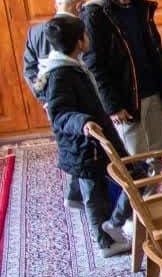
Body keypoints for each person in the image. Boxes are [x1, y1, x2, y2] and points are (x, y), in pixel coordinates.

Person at [35, 17, 131, 258]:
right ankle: (107, 241)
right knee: (96, 197)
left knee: (127, 178)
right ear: (79, 41)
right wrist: (83, 122)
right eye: (85, 35)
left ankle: (102, 216)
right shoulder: (61, 74)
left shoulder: (71, 67)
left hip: (93, 141)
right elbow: (59, 114)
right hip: (85, 146)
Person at [82, 0, 162, 171]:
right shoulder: (95, 15)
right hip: (124, 101)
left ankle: (152, 193)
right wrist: (113, 106)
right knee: (136, 160)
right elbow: (94, 65)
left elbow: (156, 52)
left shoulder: (142, 9)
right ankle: (140, 194)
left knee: (156, 154)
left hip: (153, 93)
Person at [23, 0, 86, 209]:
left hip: (52, 102)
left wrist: (45, 99)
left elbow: (29, 70)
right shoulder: (80, 30)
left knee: (69, 144)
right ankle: (78, 194)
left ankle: (76, 194)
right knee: (83, 147)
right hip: (80, 99)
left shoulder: (35, 32)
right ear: (79, 7)